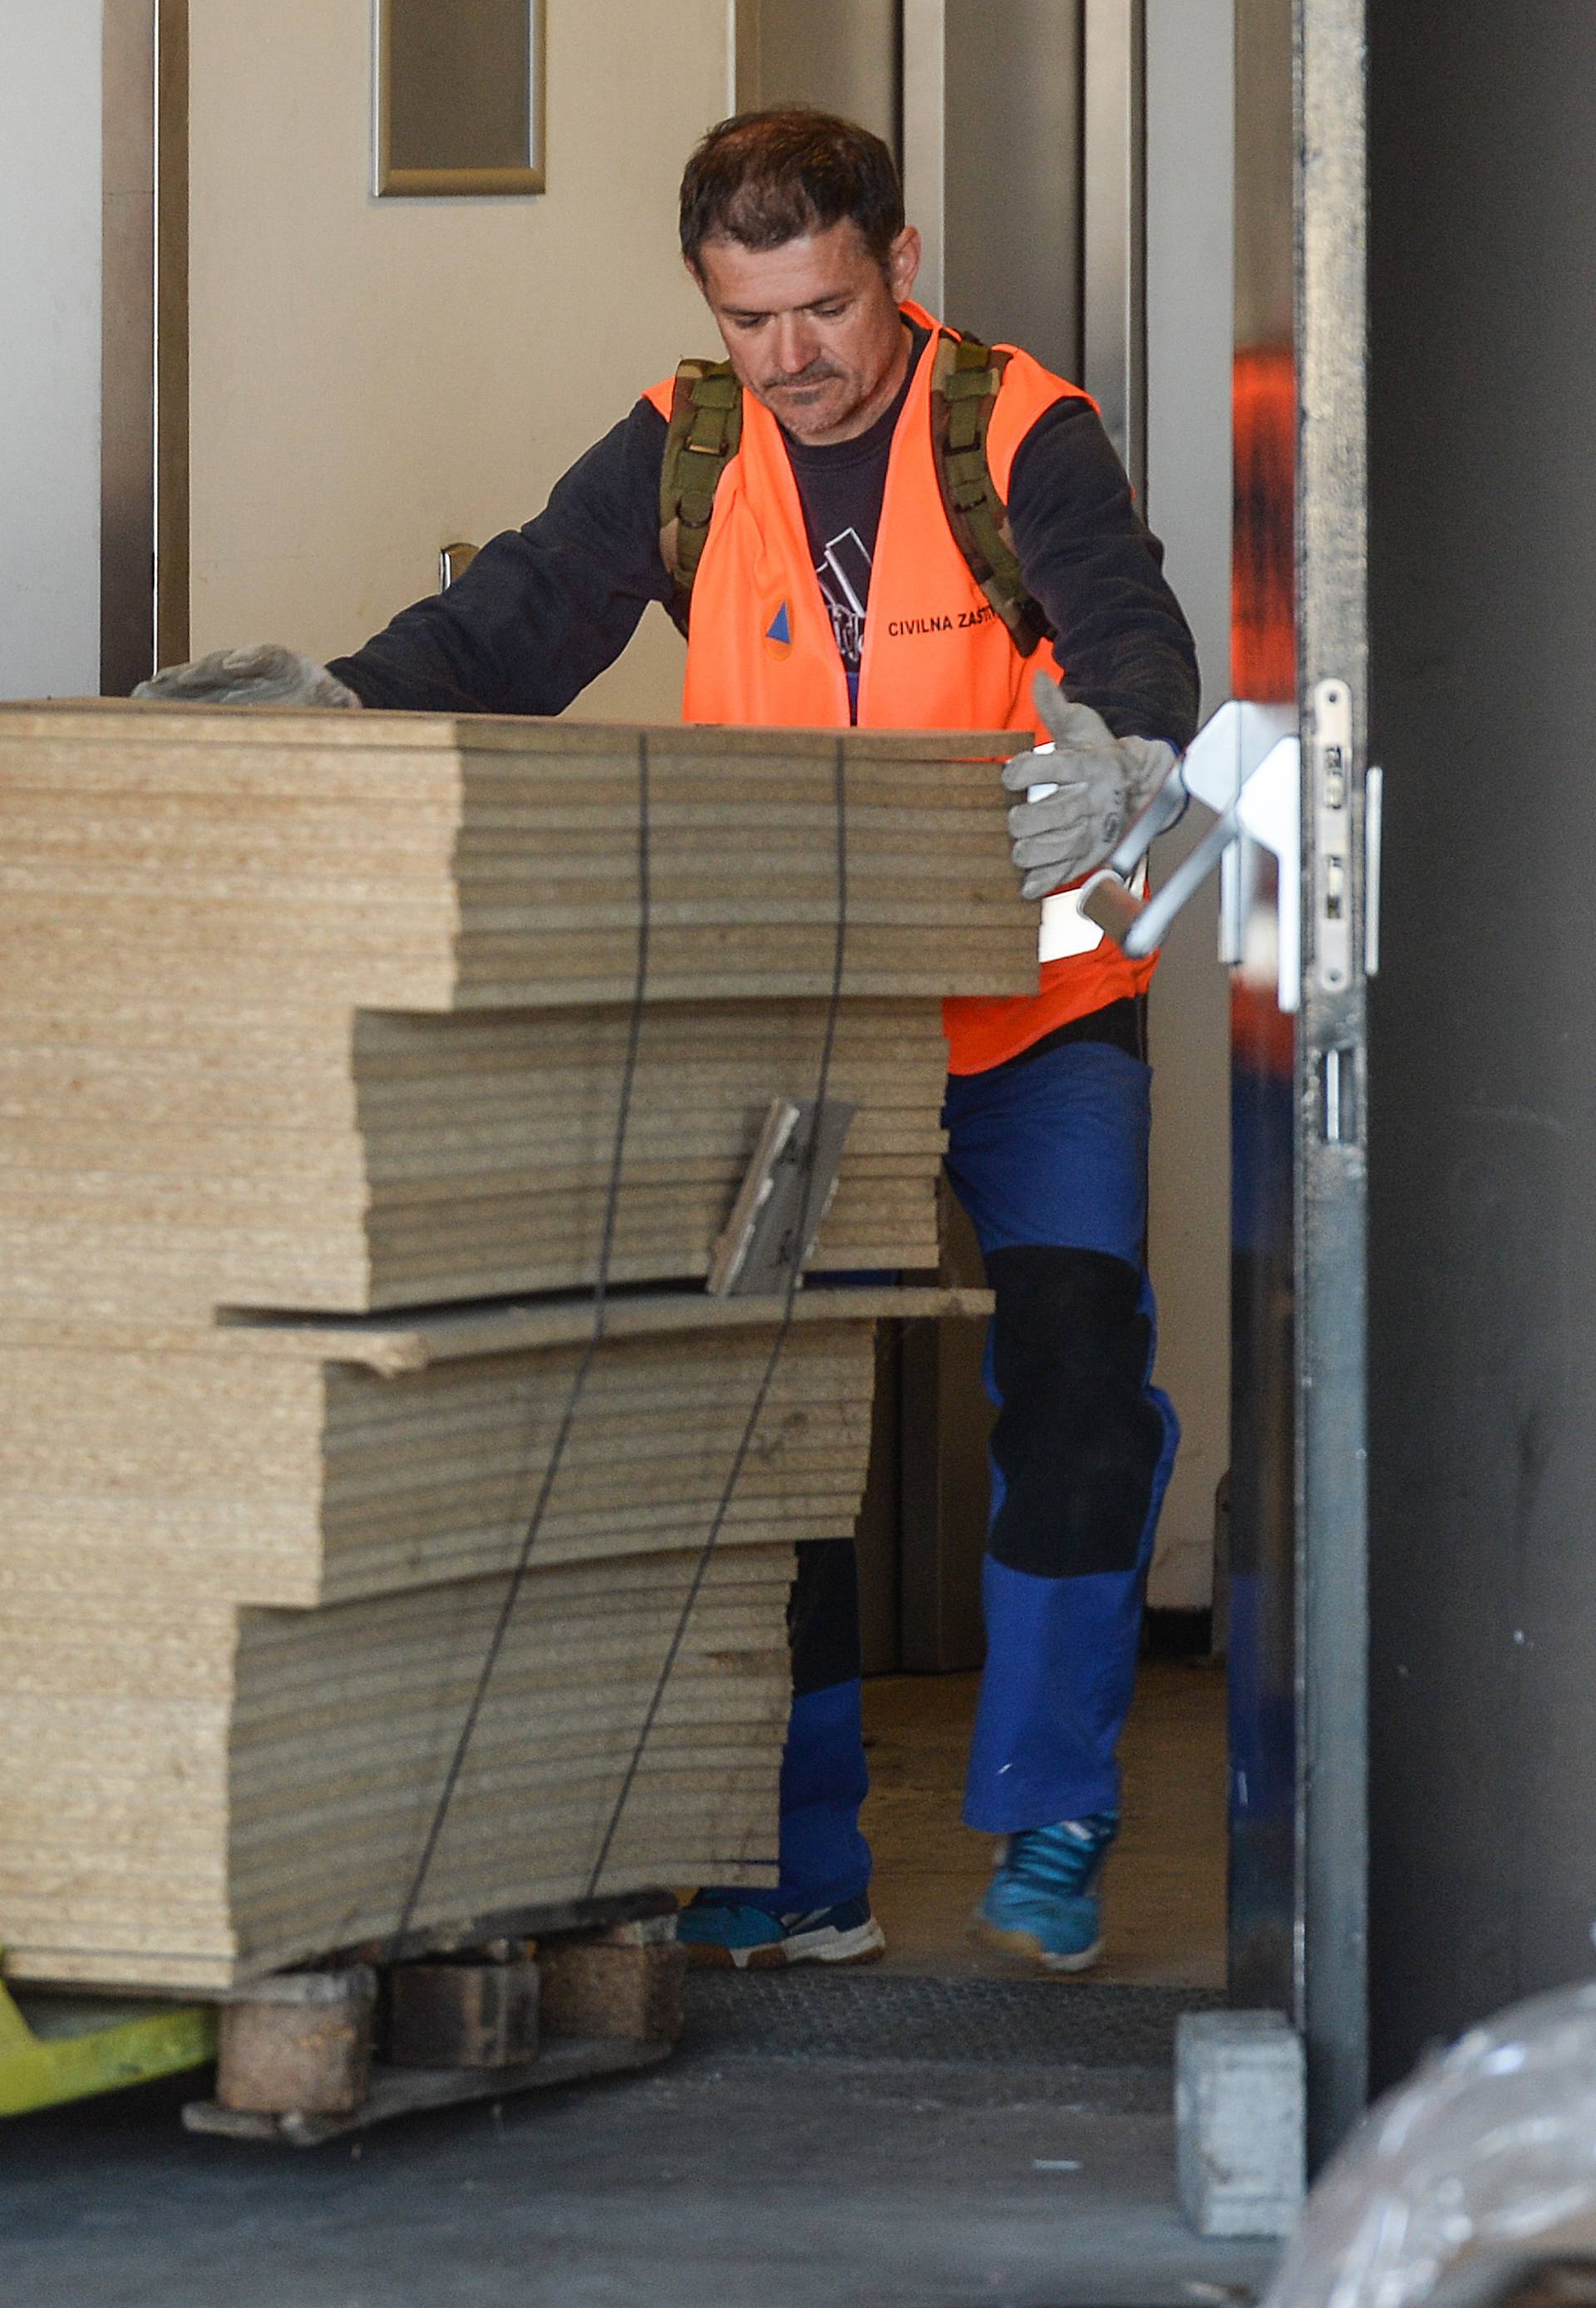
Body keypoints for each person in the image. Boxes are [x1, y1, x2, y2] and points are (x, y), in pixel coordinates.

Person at [142, 110, 1199, 1975]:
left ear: (903, 261)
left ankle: (1052, 1817)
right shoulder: (687, 446)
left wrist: (1124, 749)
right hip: (798, 996)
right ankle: (785, 1857)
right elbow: (509, 627)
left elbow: (1130, 629)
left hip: (1037, 1011)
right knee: (765, 1424)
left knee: (1081, 1383)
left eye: (824, 308)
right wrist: (334, 701)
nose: (790, 358)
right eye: (749, 319)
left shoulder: (1018, 427)